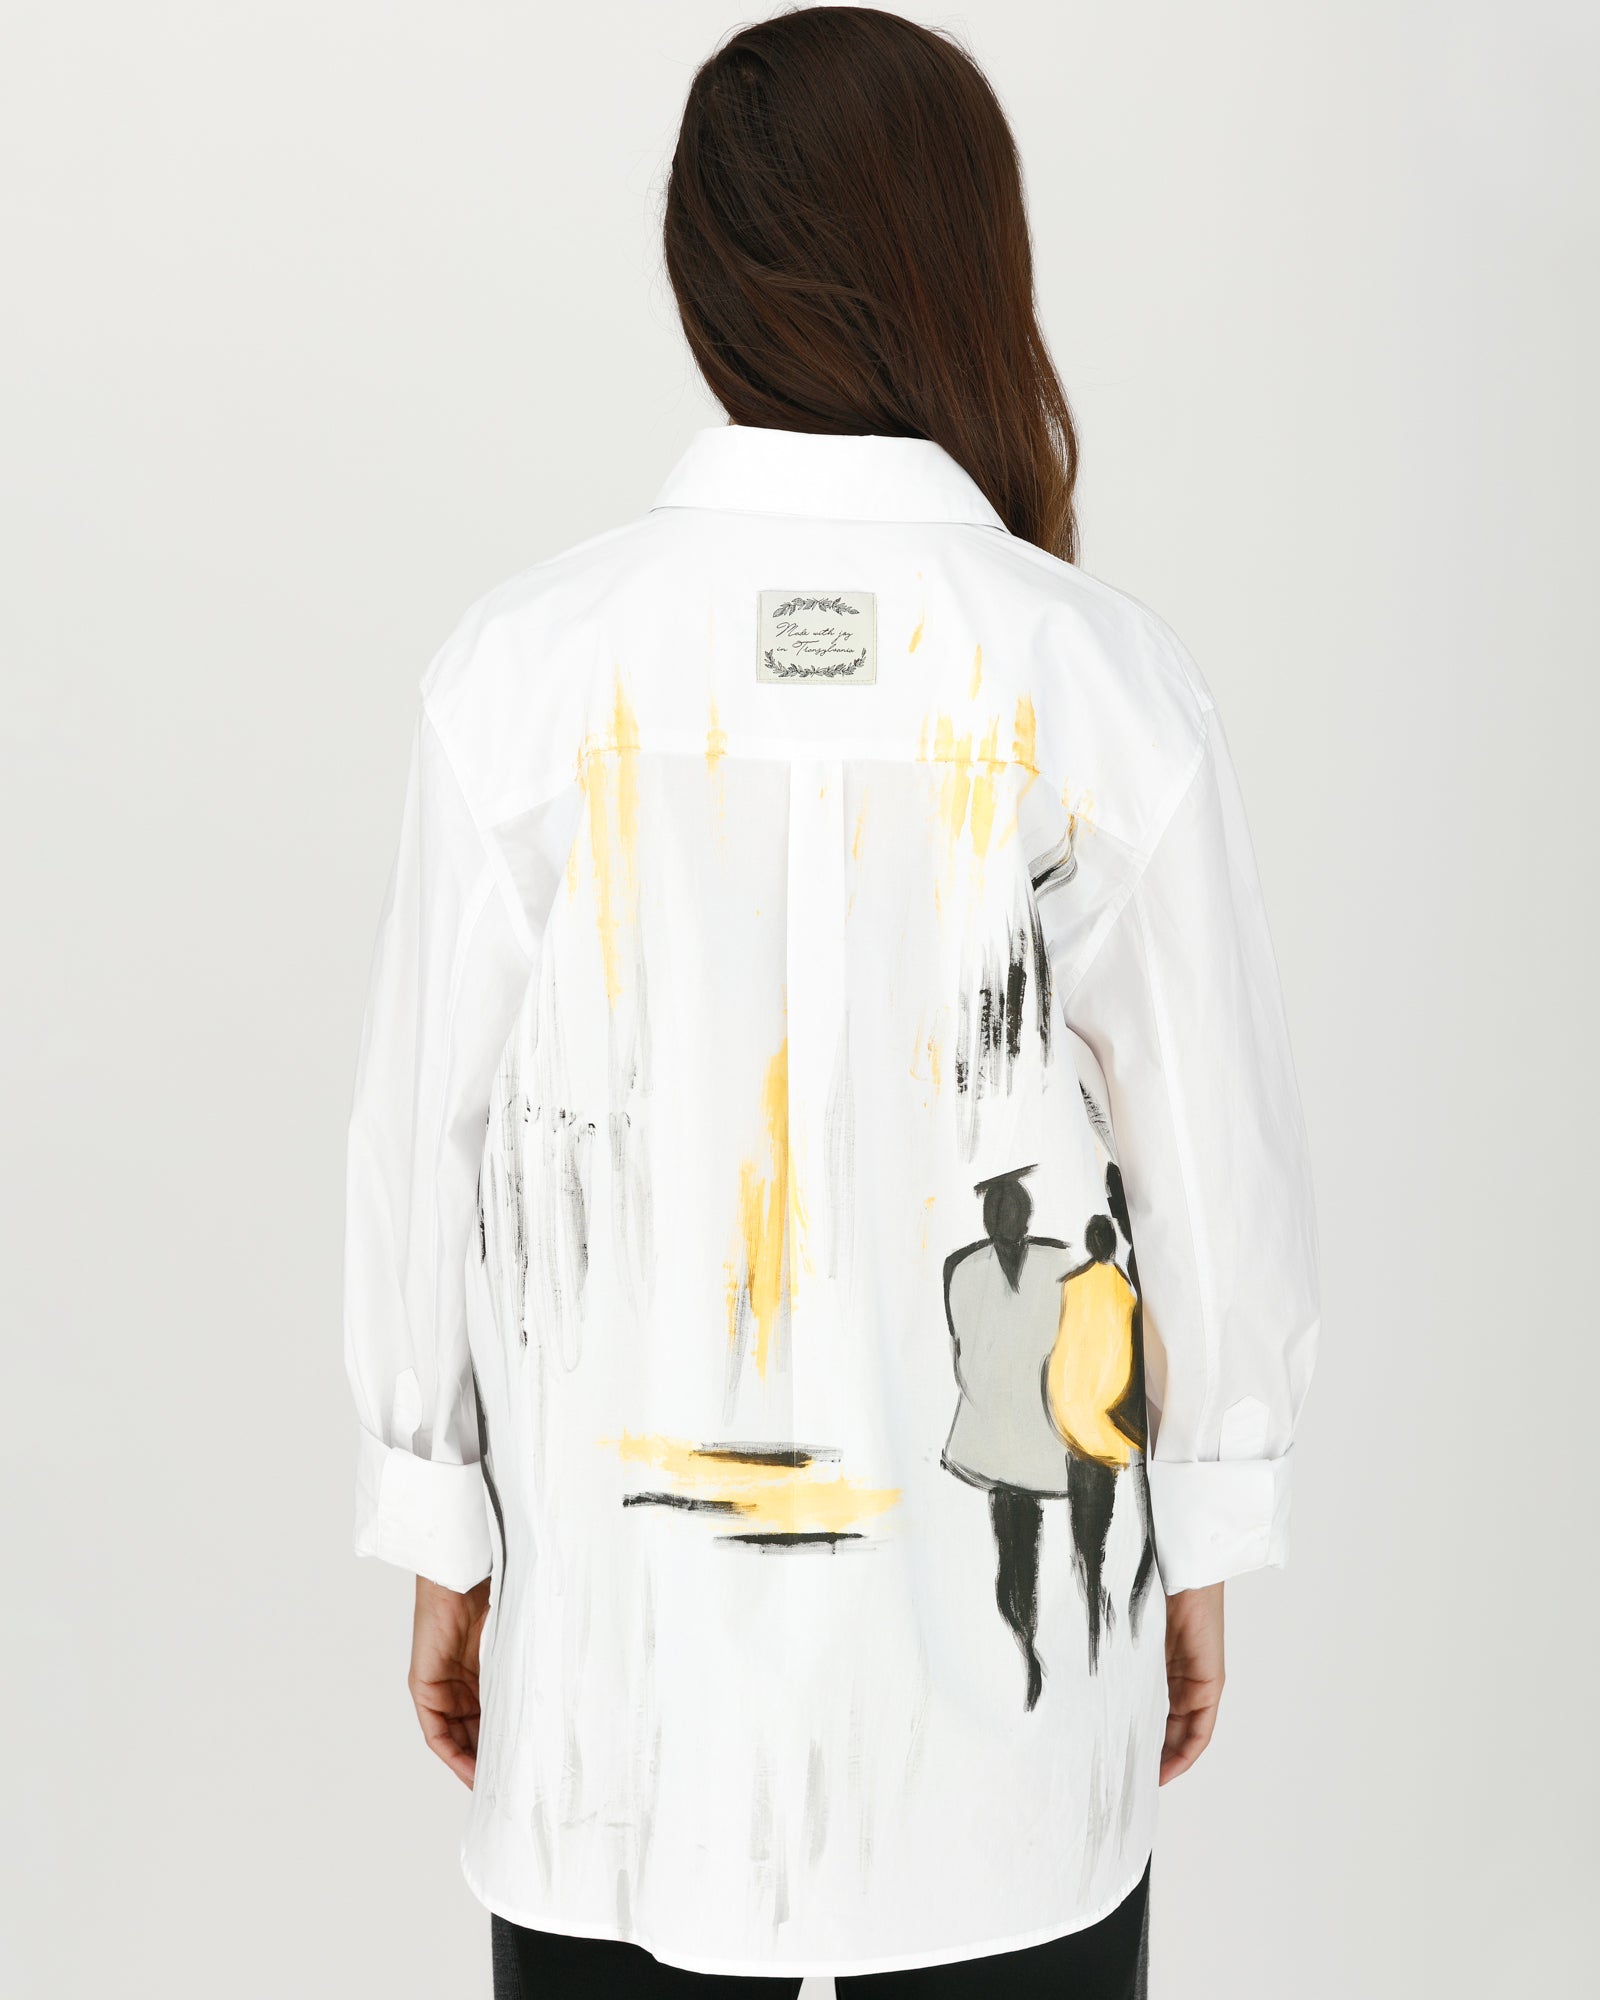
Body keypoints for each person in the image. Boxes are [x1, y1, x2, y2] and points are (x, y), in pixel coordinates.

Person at [341, 9, 1320, 1996]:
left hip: (618, 1701)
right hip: (1015, 1667)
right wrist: (1206, 1520)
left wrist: (439, 1521)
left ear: (703, 276)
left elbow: (419, 1140)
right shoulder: (1094, 683)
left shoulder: (524, 676)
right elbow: (1203, 1157)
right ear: (973, 259)